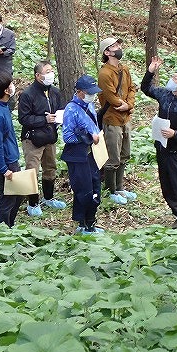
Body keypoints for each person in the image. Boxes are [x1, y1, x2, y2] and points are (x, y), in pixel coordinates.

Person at [140, 57, 177, 233]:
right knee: (166, 187)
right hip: (162, 148)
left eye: (175, 78)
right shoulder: (165, 95)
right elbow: (146, 88)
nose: (171, 80)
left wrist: (176, 134)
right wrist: (150, 71)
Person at [18, 62, 67, 216]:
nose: (50, 74)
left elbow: (60, 110)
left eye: (52, 70)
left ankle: (48, 197)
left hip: (50, 137)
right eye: (47, 71)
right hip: (33, 139)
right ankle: (32, 203)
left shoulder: (55, 92)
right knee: (32, 170)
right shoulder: (28, 94)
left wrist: (59, 119)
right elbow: (23, 118)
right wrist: (44, 120)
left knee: (50, 167)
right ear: (38, 75)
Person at [97, 37, 137, 205]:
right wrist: (124, 105)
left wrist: (129, 105)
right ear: (107, 52)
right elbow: (111, 97)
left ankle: (120, 187)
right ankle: (111, 190)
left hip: (125, 118)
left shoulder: (124, 69)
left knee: (124, 154)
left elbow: (131, 89)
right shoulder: (104, 73)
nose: (119, 47)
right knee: (112, 157)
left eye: (119, 45)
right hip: (112, 119)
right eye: (114, 46)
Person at [61, 75, 103, 235]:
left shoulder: (89, 105)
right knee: (84, 190)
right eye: (88, 92)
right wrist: (87, 136)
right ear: (79, 92)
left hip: (92, 153)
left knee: (95, 186)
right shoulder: (71, 110)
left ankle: (89, 221)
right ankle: (85, 224)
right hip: (77, 155)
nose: (92, 96)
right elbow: (67, 136)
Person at [0, 71, 23, 227]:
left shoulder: (3, 106)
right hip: (6, 162)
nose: (13, 86)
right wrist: (3, 168)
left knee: (18, 194)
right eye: (10, 85)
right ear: (6, 91)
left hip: (11, 158)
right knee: (8, 197)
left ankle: (10, 224)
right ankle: (3, 229)